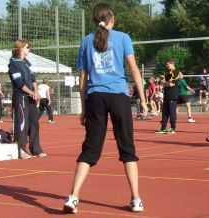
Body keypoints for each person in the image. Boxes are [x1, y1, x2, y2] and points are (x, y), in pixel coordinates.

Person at [63, 3, 147, 214]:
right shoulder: (123, 38)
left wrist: (83, 107)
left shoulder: (85, 41)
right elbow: (135, 70)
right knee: (127, 148)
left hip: (95, 97)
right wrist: (143, 100)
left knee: (90, 149)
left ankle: (73, 197)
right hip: (118, 96)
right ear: (112, 18)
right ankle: (136, 198)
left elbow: (83, 78)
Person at [8, 39, 46, 159]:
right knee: (22, 123)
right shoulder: (13, 64)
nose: (29, 49)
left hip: (30, 98)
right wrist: (31, 92)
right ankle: (21, 149)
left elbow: (33, 78)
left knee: (34, 122)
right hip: (21, 97)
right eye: (27, 47)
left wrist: (35, 92)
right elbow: (19, 82)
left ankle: (36, 149)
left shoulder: (26, 63)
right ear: (21, 49)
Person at [155, 59, 179, 134]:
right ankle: (162, 128)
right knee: (164, 113)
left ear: (172, 64)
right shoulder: (167, 73)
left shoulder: (176, 72)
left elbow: (171, 84)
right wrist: (160, 81)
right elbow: (164, 84)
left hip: (173, 95)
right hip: (166, 95)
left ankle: (172, 128)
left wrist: (162, 81)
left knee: (172, 113)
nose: (166, 65)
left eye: (167, 64)